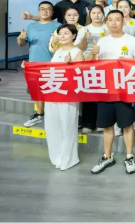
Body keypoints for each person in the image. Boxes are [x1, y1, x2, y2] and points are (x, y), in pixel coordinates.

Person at [89, 10, 135, 175]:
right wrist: (93, 53)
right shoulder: (102, 41)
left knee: (127, 125)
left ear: (123, 21)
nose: (114, 23)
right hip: (106, 90)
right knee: (107, 125)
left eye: (117, 20)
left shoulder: (132, 41)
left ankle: (129, 156)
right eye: (110, 20)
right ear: (106, 22)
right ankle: (107, 156)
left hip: (125, 91)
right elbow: (91, 65)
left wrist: (129, 62)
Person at [43, 24, 84, 171]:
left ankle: (69, 158)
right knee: (52, 125)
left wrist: (70, 65)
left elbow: (80, 75)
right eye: (60, 33)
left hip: (68, 94)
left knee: (67, 126)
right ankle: (56, 157)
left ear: (74, 36)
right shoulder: (58, 51)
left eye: (66, 33)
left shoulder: (77, 52)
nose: (62, 36)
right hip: (53, 92)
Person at [18, 1, 59, 127]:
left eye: (48, 9)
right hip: (34, 64)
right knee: (37, 91)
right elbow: (21, 44)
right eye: (42, 9)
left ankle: (53, 117)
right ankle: (40, 114)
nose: (45, 11)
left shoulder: (58, 26)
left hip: (53, 64)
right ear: (38, 11)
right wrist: (21, 38)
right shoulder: (31, 26)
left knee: (52, 90)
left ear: (52, 12)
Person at [79, 5, 108, 133]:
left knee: (103, 95)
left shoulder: (108, 28)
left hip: (105, 65)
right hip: (88, 64)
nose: (96, 15)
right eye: (94, 13)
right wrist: (85, 38)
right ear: (90, 15)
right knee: (89, 94)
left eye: (99, 13)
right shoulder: (84, 29)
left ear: (103, 15)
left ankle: (101, 122)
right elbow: (79, 48)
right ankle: (88, 123)